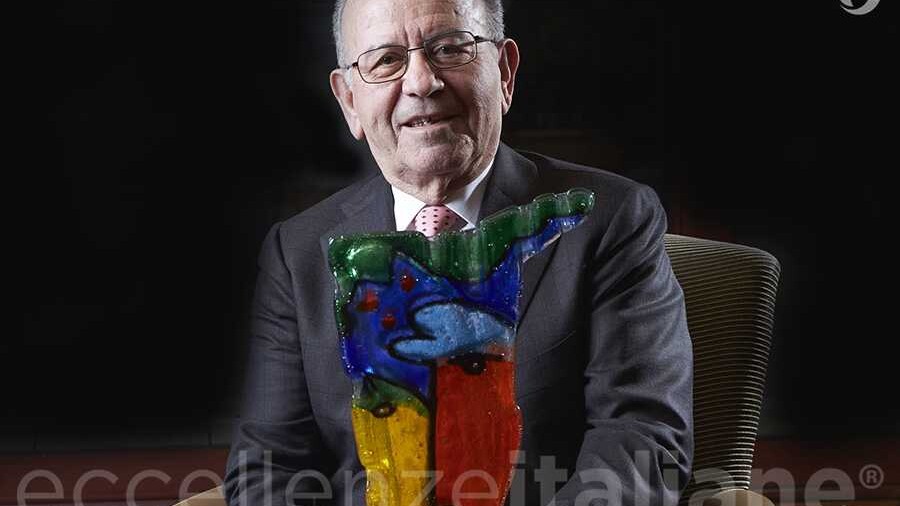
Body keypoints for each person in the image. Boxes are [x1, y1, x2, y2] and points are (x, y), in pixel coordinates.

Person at [224, 0, 693, 505]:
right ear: (348, 102)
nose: (421, 83)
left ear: (505, 72)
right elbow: (268, 469)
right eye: (384, 61)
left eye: (450, 48)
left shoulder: (611, 219)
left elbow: (640, 439)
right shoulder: (297, 255)